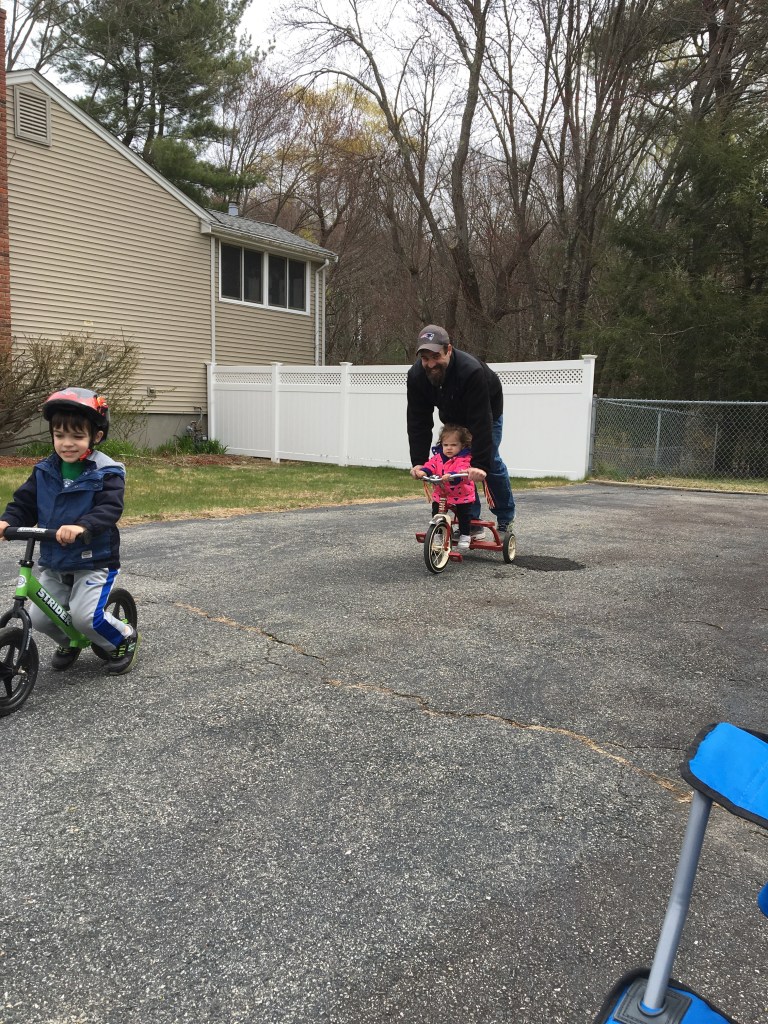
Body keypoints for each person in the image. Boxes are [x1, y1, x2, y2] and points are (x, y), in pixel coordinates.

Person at [0, 387, 140, 675]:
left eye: (77, 436)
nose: (67, 443)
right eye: (59, 435)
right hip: (55, 559)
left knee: (85, 617)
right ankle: (71, 641)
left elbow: (109, 508)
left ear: (95, 437)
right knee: (41, 618)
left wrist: (82, 526)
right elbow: (24, 503)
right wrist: (7, 521)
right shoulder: (44, 471)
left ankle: (124, 638)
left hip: (93, 560)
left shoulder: (107, 472)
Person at [407, 324, 515, 534]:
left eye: (436, 356)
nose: (430, 364)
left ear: (448, 349)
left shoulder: (470, 371)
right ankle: (471, 521)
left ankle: (505, 518)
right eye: (425, 358)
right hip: (453, 418)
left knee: (489, 463)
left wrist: (480, 464)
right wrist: (418, 461)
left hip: (486, 412)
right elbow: (418, 420)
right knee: (455, 465)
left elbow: (481, 420)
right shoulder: (416, 376)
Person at [412, 423, 475, 549]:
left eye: (453, 445)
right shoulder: (438, 457)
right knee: (436, 511)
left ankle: (465, 535)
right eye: (446, 445)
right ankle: (439, 533)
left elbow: (463, 469)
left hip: (462, 494)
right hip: (442, 493)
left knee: (464, 515)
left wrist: (452, 475)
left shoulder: (464, 458)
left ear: (462, 445)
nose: (449, 448)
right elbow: (431, 465)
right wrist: (424, 472)